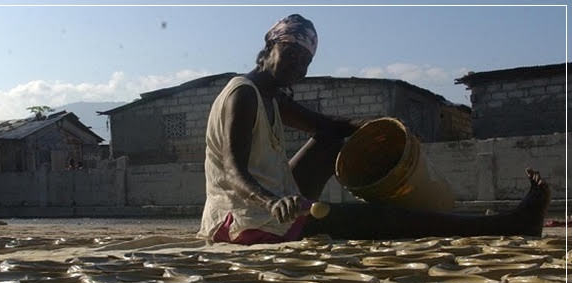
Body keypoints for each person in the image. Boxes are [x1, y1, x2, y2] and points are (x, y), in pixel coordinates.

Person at [198, 14, 549, 244]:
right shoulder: (243, 94)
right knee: (382, 221)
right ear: (269, 47)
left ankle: (398, 211)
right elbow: (233, 167)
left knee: (331, 137)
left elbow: (329, 128)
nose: (297, 67)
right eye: (290, 55)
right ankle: (511, 223)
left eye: (305, 62)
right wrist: (273, 201)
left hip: (273, 202)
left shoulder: (271, 97)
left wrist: (382, 130)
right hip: (246, 218)